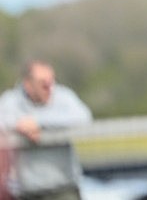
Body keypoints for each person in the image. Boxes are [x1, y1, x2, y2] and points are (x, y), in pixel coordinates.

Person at [0, 60, 92, 200]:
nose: (49, 87)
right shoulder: (10, 100)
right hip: (26, 192)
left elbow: (83, 117)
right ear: (28, 84)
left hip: (63, 188)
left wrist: (38, 124)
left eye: (51, 81)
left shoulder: (63, 96)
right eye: (42, 83)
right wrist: (19, 126)